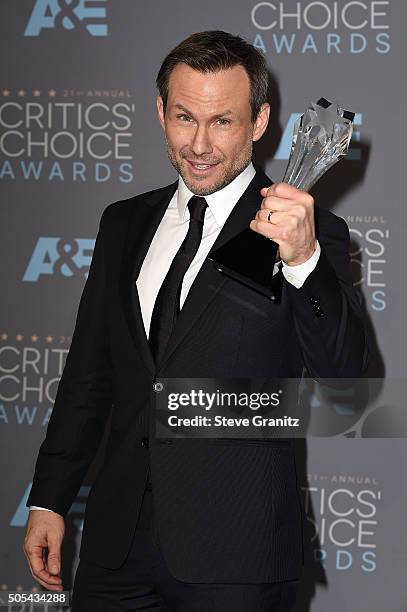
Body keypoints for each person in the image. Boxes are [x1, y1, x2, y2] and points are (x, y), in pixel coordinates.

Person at [23, 30, 368, 611]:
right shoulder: (123, 224)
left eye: (223, 122)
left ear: (260, 121)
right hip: (116, 547)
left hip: (238, 553)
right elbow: (90, 374)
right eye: (184, 117)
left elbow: (344, 378)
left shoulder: (307, 228)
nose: (200, 144)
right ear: (160, 111)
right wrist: (50, 498)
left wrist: (305, 260)